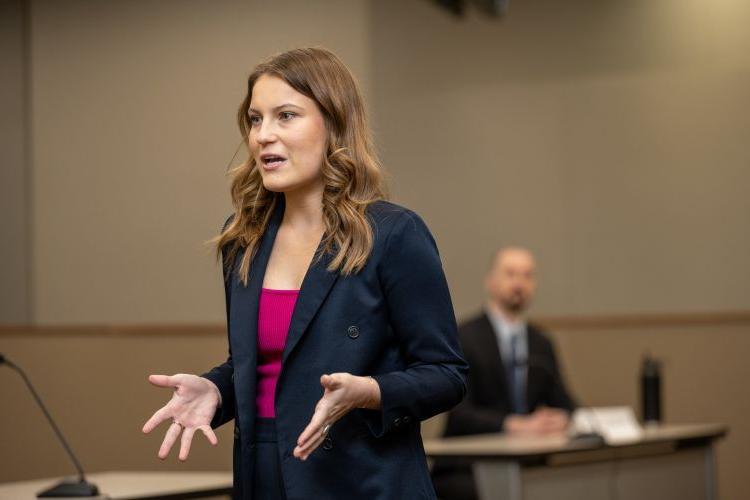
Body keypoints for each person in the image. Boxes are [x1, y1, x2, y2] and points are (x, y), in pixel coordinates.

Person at [141, 47, 467, 500]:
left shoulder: (392, 234)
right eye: (255, 119)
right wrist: (216, 388)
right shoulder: (243, 241)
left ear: (333, 125)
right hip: (265, 475)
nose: (263, 136)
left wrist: (369, 391)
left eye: (285, 116)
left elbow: (446, 374)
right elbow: (266, 365)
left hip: (362, 482)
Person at [432, 247, 576, 500]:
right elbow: (460, 413)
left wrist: (561, 419)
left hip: (527, 463)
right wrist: (515, 425)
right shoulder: (463, 337)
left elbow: (565, 402)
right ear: (491, 282)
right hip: (467, 466)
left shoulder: (541, 342)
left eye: (527, 276)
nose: (519, 283)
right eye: (510, 274)